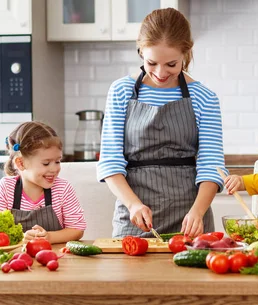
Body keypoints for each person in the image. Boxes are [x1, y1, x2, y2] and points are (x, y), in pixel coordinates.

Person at [97, 8, 227, 238]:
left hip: (190, 217)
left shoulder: (204, 98)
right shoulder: (121, 91)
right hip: (134, 218)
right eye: (152, 62)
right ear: (140, 52)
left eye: (171, 64)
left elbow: (212, 166)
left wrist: (197, 212)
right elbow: (110, 162)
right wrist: (134, 205)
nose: (160, 72)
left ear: (186, 54)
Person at [0, 121, 86, 243]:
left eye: (57, 161)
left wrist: (49, 237)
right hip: (17, 258)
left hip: (56, 257)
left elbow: (77, 229)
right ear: (21, 163)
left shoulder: (62, 188)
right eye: (46, 163)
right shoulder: (6, 188)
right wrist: (20, 238)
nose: (54, 169)